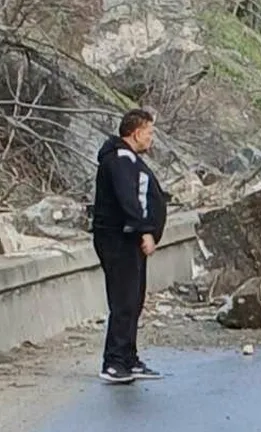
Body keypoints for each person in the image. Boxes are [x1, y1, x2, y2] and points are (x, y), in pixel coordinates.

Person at [92, 109, 168, 384]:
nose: (151, 138)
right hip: (119, 238)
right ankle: (114, 362)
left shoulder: (129, 159)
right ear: (136, 133)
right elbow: (128, 198)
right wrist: (143, 229)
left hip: (129, 240)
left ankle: (128, 357)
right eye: (149, 132)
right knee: (124, 300)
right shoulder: (120, 160)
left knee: (134, 299)